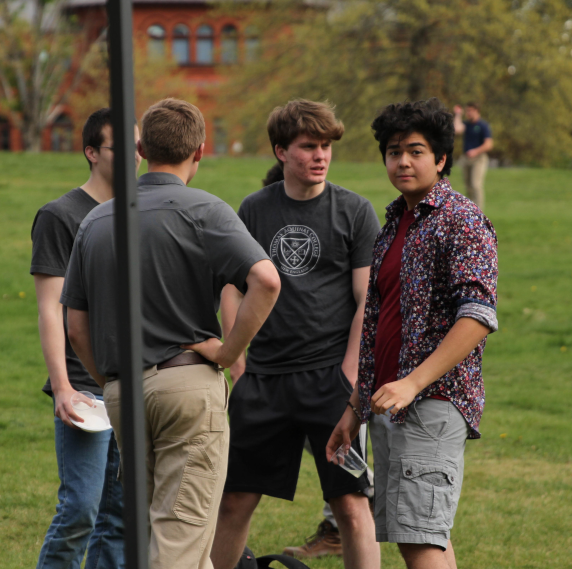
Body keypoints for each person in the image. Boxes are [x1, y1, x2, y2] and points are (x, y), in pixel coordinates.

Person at [61, 97, 281, 569]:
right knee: (179, 543)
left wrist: (110, 381)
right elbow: (266, 280)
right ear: (200, 151)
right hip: (186, 387)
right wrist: (227, 353)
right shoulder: (206, 210)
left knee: (156, 539)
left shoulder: (96, 220)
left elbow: (75, 326)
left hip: (122, 391)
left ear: (140, 148)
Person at [327, 98, 498, 569]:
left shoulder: (460, 221)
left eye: (416, 151)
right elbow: (383, 326)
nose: (403, 161)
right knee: (422, 536)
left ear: (441, 159)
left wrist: (413, 383)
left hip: (432, 402)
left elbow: (479, 316)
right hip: (390, 402)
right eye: (394, 151)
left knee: (420, 539)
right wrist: (355, 407)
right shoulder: (395, 224)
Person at [211, 99, 381, 569]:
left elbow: (368, 300)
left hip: (330, 382)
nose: (321, 155)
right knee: (233, 501)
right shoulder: (254, 210)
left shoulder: (355, 211)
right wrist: (237, 361)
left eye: (326, 146)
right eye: (309, 146)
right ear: (281, 151)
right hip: (262, 379)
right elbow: (231, 287)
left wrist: (349, 374)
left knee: (351, 505)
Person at [30, 108, 140, 569]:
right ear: (92, 152)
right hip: (83, 386)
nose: (136, 157)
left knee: (120, 518)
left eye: (140, 147)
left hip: (133, 383)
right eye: (123, 147)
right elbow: (50, 309)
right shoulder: (61, 216)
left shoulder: (139, 213)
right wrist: (62, 386)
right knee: (80, 510)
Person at [452, 102, 493, 210]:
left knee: (475, 185)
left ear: (476, 111)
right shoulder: (467, 124)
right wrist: (458, 114)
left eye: (470, 111)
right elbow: (457, 129)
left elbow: (488, 144)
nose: (468, 113)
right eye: (467, 111)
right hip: (466, 159)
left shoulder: (483, 126)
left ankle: (479, 211)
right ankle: (470, 210)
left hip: (479, 158)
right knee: (468, 186)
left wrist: (476, 151)